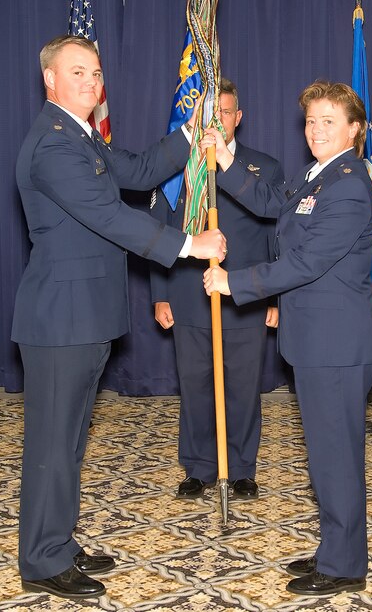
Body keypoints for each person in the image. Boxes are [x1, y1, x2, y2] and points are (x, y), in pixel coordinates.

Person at [12, 35, 226, 600]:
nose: (90, 81)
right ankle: (41, 559)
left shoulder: (83, 138)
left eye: (96, 73)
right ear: (50, 80)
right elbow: (109, 215)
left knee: (72, 439)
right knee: (52, 445)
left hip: (84, 315)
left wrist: (190, 135)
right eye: (76, 71)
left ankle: (58, 541)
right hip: (61, 319)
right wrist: (188, 245)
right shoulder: (55, 145)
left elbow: (136, 169)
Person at [203, 81, 372, 597]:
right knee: (326, 454)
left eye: (329, 121)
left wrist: (233, 282)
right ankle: (335, 551)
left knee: (336, 455)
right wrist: (223, 158)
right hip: (318, 339)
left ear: (355, 129)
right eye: (310, 121)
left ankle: (345, 565)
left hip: (338, 344)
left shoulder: (349, 183)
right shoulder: (316, 176)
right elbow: (267, 199)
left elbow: (306, 262)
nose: (315, 130)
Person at [150, 77, 283, 501]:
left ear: (238, 118)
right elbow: (159, 232)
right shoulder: (177, 171)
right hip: (188, 293)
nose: (219, 119)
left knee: (244, 388)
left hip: (244, 297)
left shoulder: (265, 167)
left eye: (225, 112)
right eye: (211, 112)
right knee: (195, 385)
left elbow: (275, 236)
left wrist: (275, 298)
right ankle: (199, 467)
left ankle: (241, 467)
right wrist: (159, 293)